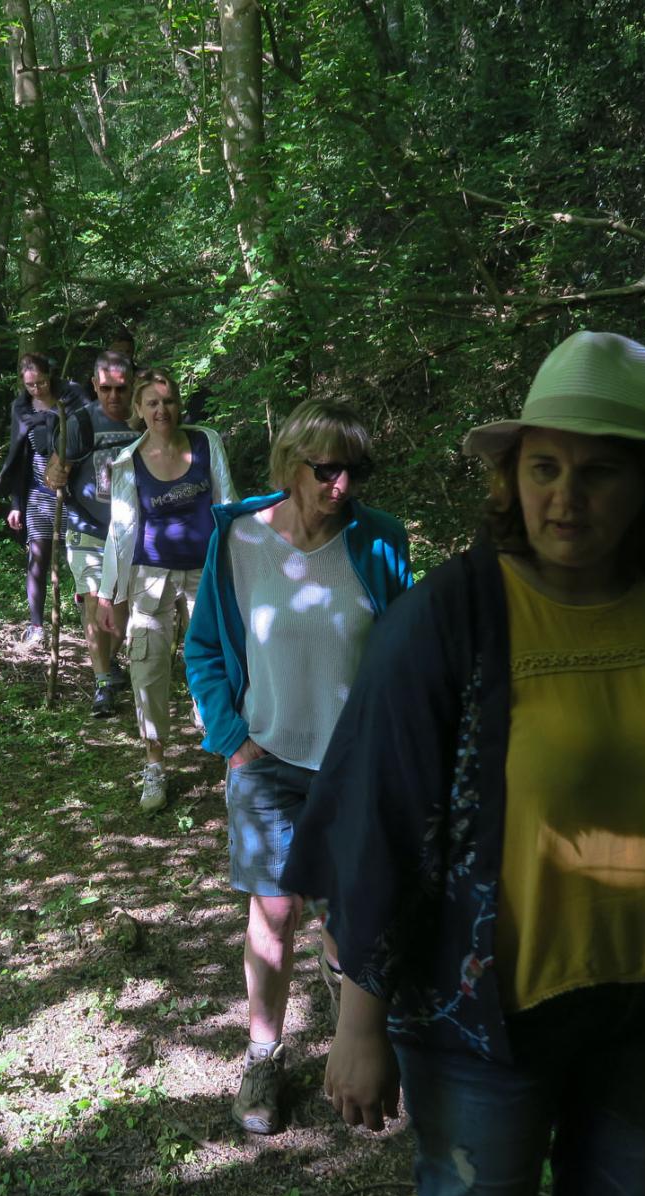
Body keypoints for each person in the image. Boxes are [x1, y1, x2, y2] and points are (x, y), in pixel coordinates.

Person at [283, 332, 645, 1196]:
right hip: (491, 1010)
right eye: (545, 467)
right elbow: (382, 823)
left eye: (599, 472)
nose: (566, 497)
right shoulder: (448, 620)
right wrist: (360, 1021)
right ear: (511, 476)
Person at [185, 400, 413, 1136]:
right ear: (291, 465)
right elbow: (203, 652)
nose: (344, 485)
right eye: (328, 470)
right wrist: (235, 741)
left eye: (356, 470)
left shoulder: (378, 543)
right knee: (274, 912)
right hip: (269, 759)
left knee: (354, 917)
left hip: (355, 770)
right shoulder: (239, 540)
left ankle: (358, 1042)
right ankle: (264, 1053)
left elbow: (403, 654)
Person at [97, 368, 237, 811]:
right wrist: (108, 593)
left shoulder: (205, 442)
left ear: (180, 404)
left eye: (169, 401)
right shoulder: (128, 462)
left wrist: (240, 568)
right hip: (150, 577)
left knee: (217, 661)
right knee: (148, 668)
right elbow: (119, 532)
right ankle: (154, 762)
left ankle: (229, 749)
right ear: (138, 410)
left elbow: (228, 505)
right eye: (152, 403)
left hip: (205, 574)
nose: (162, 410)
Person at [47, 350, 139, 715]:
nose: (113, 397)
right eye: (106, 389)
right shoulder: (80, 423)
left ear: (133, 385)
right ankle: (102, 682)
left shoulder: (145, 421)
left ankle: (110, 660)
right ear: (94, 386)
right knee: (93, 599)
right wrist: (55, 476)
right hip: (87, 529)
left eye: (121, 388)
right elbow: (54, 471)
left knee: (119, 612)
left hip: (131, 532)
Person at [0, 354, 89, 647]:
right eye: (30, 385)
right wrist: (15, 503)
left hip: (74, 497)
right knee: (37, 559)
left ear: (51, 375)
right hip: (38, 494)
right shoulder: (21, 407)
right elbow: (18, 455)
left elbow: (89, 440)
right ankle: (36, 625)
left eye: (42, 382)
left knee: (81, 562)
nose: (37, 389)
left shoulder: (73, 399)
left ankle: (89, 617)